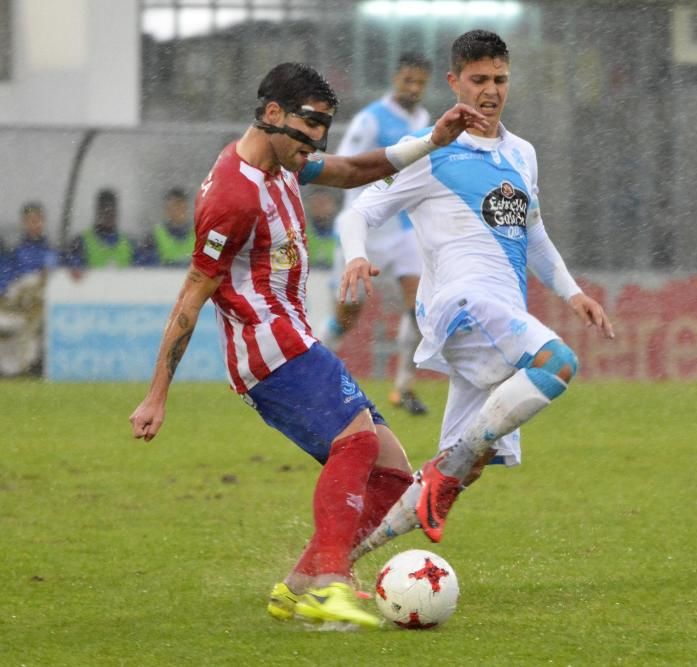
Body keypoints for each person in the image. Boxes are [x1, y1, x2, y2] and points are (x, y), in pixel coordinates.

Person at [128, 62, 487, 629]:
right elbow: (191, 298)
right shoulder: (232, 195)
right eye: (311, 125)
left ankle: (298, 585)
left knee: (392, 473)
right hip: (268, 350)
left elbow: (349, 169)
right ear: (273, 114)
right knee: (356, 443)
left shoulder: (283, 158)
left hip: (294, 339)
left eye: (325, 126)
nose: (317, 141)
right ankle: (330, 584)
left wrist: (432, 141)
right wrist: (156, 394)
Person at [338, 30, 615, 559]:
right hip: (461, 305)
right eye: (479, 80)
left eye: (500, 79)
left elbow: (533, 233)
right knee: (557, 363)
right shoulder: (432, 151)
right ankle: (440, 474)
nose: (491, 90)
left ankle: (342, 558)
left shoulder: (522, 154)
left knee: (469, 464)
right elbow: (362, 210)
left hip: (502, 312)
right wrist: (355, 252)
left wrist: (573, 291)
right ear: (454, 82)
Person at [327, 52, 434, 416]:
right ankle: (313, 376)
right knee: (346, 317)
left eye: (420, 82)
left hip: (403, 228)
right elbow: (344, 167)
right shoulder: (369, 120)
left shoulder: (422, 119)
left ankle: (403, 386)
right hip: (366, 228)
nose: (414, 88)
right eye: (408, 81)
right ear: (395, 78)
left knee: (420, 304)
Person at [0, 202, 58, 376]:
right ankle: (13, 371)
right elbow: (7, 282)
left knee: (34, 336)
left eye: (38, 220)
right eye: (31, 220)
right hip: (20, 310)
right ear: (24, 223)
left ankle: (31, 369)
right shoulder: (16, 253)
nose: (36, 225)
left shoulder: (52, 252)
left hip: (43, 310)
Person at [64, 188, 136, 269]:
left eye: (112, 211)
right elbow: (70, 270)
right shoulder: (80, 243)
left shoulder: (130, 243)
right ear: (97, 212)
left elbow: (146, 272)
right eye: (105, 211)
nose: (109, 215)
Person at [135, 187, 196, 267]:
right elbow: (145, 266)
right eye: (175, 206)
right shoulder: (152, 237)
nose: (179, 210)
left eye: (182, 206)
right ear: (166, 209)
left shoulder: (200, 235)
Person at [303, 188, 339, 270]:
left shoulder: (341, 232)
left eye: (323, 203)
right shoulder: (302, 233)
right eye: (317, 203)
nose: (320, 208)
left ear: (333, 205)